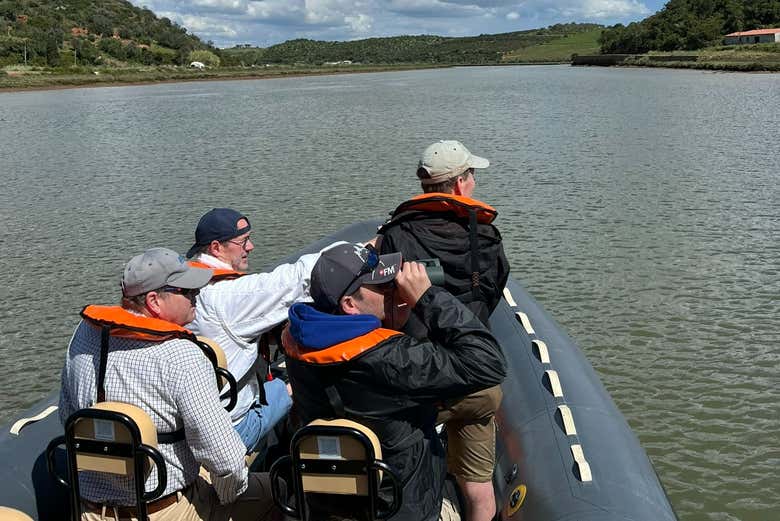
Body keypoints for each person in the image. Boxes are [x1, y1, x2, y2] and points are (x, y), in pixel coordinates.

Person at [282, 243, 507, 521]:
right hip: (402, 506)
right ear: (350, 305)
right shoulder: (391, 359)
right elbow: (487, 361)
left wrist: (388, 314)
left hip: (331, 502)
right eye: (381, 287)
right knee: (484, 399)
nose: (392, 288)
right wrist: (427, 297)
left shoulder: (298, 341)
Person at [59, 248, 278, 521]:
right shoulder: (181, 355)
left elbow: (67, 414)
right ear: (154, 300)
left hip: (89, 510)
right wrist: (226, 497)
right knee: (278, 491)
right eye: (187, 292)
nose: (196, 296)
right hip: (166, 510)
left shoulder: (84, 335)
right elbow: (227, 460)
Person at [377, 140, 510, 521]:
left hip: (420, 381)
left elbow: (382, 301)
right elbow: (494, 291)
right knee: (479, 487)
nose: (473, 182)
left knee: (401, 468)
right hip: (475, 381)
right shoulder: (486, 237)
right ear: (459, 184)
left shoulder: (396, 235)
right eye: (472, 175)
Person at [185, 208, 323, 454]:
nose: (251, 247)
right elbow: (292, 281)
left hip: (197, 412)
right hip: (232, 427)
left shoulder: (187, 286)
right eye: (243, 241)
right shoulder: (225, 296)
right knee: (298, 384)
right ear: (216, 248)